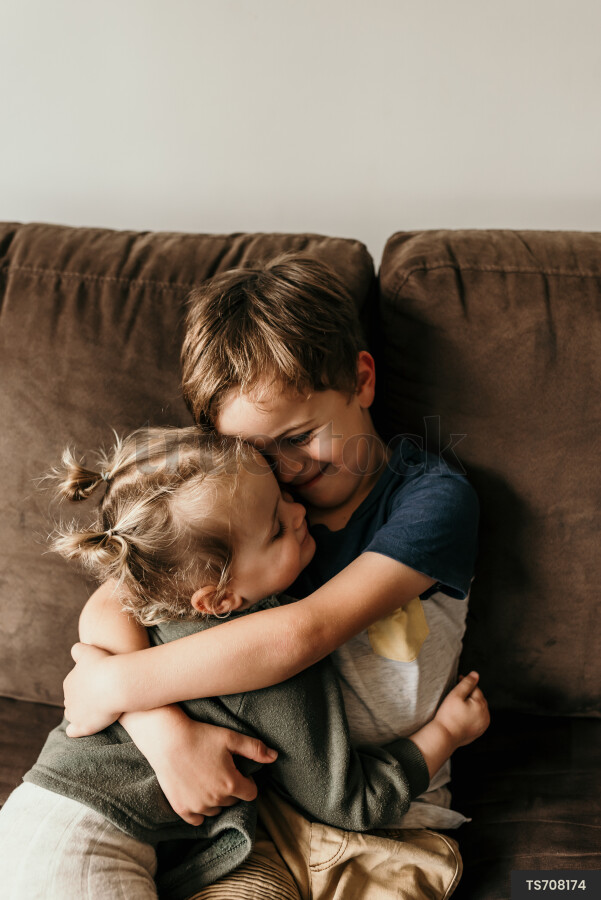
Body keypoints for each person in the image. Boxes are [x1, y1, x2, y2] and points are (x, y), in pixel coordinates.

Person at [61, 254, 484, 895]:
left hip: (391, 817)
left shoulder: (432, 500)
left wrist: (115, 683)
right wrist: (162, 731)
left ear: (362, 380)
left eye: (300, 436)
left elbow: (305, 633)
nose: (284, 471)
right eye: (253, 452)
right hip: (250, 812)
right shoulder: (241, 501)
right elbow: (115, 600)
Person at [0, 427, 489, 900]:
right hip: (80, 853)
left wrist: (143, 711)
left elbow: (113, 600)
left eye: (282, 497)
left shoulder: (161, 587)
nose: (299, 511)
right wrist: (446, 732)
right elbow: (351, 803)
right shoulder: (263, 666)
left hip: (41, 814)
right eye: (276, 528)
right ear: (219, 599)